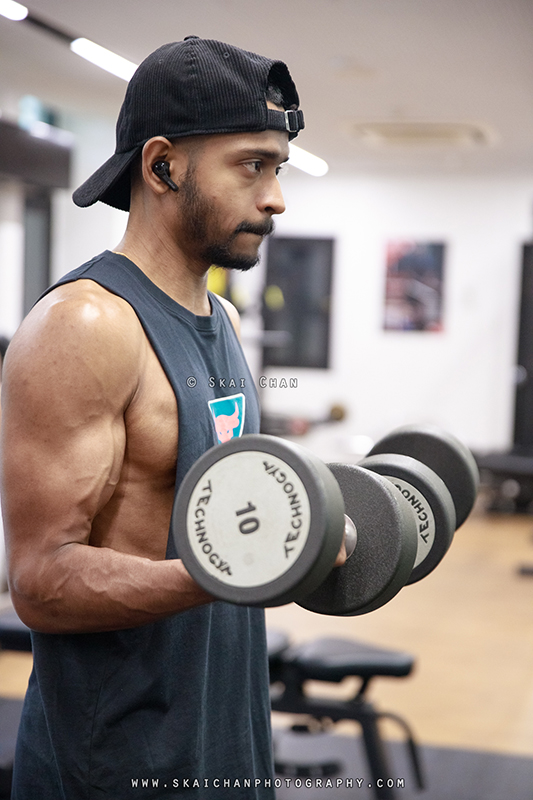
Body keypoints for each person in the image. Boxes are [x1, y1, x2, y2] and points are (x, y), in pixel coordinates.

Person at [0, 37, 344, 798]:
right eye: (251, 164)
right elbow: (41, 580)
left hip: (227, 740)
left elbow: (232, 522)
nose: (276, 197)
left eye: (278, 168)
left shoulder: (218, 316)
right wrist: (232, 571)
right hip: (117, 766)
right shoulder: (85, 327)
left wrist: (308, 539)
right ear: (162, 166)